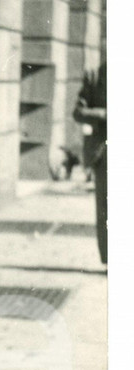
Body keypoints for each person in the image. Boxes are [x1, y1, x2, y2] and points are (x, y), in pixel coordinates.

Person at [73, 58, 107, 266]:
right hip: (104, 153)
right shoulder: (96, 77)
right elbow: (78, 112)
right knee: (106, 209)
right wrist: (104, 114)